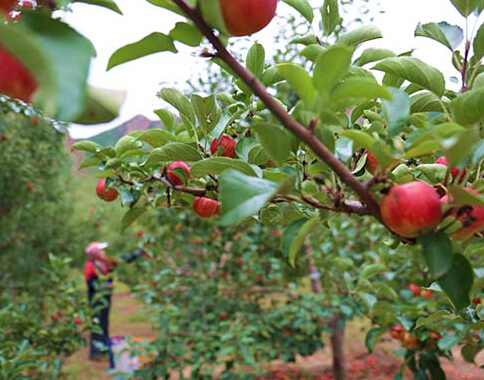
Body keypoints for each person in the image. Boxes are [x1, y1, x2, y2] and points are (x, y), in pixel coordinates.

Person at [84, 242, 147, 369]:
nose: (104, 253)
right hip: (97, 301)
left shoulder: (104, 264)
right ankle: (96, 353)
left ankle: (103, 349)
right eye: (101, 251)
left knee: (104, 323)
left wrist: (137, 253)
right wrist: (105, 285)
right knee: (98, 324)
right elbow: (92, 284)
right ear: (95, 253)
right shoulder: (91, 266)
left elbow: (121, 261)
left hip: (104, 300)